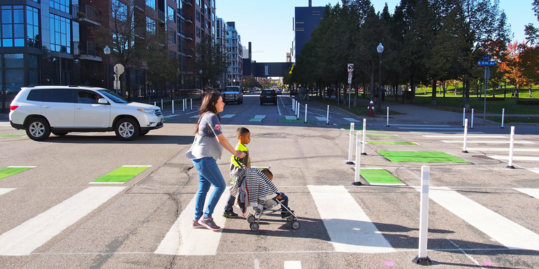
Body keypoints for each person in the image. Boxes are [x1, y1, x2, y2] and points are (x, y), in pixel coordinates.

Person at [186, 91, 246, 231]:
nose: (223, 103)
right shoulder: (212, 116)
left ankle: (197, 219)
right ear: (214, 104)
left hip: (200, 158)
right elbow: (221, 139)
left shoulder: (205, 115)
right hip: (205, 159)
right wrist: (236, 153)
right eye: (221, 101)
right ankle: (206, 217)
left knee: (204, 188)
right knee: (219, 186)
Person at [223, 127, 251, 218]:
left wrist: (248, 164)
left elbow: (246, 158)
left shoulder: (243, 146)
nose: (250, 139)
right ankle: (227, 208)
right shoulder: (239, 148)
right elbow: (233, 159)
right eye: (248, 137)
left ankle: (231, 206)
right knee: (235, 190)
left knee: (238, 189)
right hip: (239, 172)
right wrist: (242, 166)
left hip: (243, 172)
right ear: (241, 138)